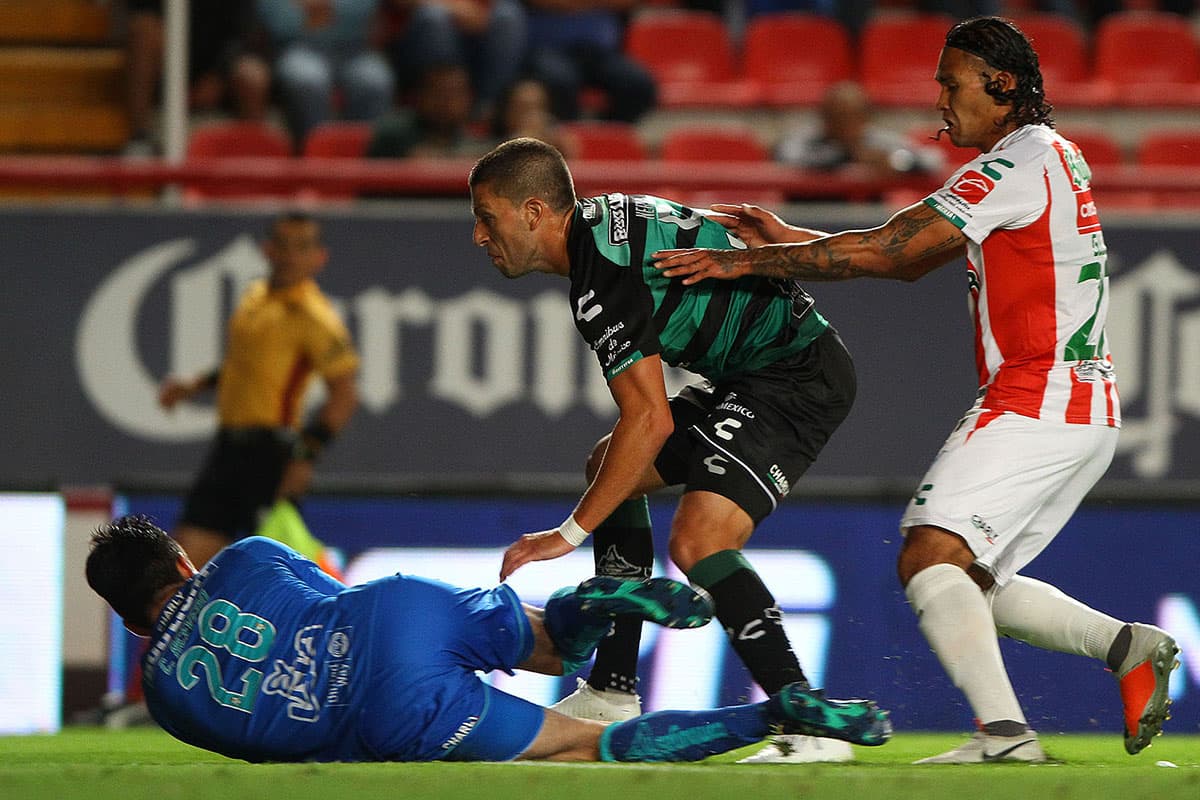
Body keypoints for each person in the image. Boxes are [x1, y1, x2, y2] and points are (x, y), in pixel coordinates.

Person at [652, 16, 1181, 764]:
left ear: (1002, 87)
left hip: (1039, 391)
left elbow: (893, 251)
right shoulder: (1047, 158)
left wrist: (754, 261)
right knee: (967, 578)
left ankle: (1005, 738)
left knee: (929, 555)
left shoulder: (1018, 162)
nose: (939, 100)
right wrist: (792, 240)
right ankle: (1126, 645)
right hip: (1081, 401)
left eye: (951, 82)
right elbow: (902, 257)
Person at [468, 137, 886, 763]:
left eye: (486, 216)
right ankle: (611, 691)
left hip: (796, 379)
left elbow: (649, 419)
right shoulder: (603, 225)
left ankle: (809, 724)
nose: (478, 235)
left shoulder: (600, 275)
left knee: (698, 541)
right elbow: (709, 227)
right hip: (751, 375)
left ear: (532, 213)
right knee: (606, 467)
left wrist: (568, 533)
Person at [84, 515, 891, 763]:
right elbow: (332, 605)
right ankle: (594, 602)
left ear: (127, 619)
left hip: (387, 711)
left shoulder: (164, 698)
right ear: (183, 560)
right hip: (391, 614)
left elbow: (279, 747)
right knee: (555, 649)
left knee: (589, 748)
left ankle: (773, 717)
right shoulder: (247, 556)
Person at [158, 211, 359, 570]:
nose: (290, 256)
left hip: (270, 455)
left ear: (318, 258)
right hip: (228, 448)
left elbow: (344, 394)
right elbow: (243, 367)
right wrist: (192, 387)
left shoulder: (314, 317)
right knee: (184, 564)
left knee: (275, 568)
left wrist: (306, 453)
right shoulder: (255, 297)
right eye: (282, 245)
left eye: (301, 247)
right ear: (267, 250)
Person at [122, 0, 272, 156]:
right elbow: (141, 9)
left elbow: (244, 29)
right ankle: (139, 141)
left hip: (219, 66)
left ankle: (253, 156)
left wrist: (219, 74)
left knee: (253, 75)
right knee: (143, 29)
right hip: (166, 65)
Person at [253, 0, 395, 149]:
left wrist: (322, 8)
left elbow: (364, 11)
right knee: (307, 81)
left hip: (355, 48)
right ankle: (313, 159)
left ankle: (366, 159)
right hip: (299, 46)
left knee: (374, 81)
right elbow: (279, 20)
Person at [776, 80, 945, 178]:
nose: (846, 124)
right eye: (839, 116)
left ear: (865, 117)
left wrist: (895, 161)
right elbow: (787, 156)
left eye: (853, 116)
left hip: (869, 224)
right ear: (825, 116)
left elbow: (933, 160)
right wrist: (850, 155)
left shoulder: (877, 141)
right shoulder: (806, 140)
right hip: (806, 219)